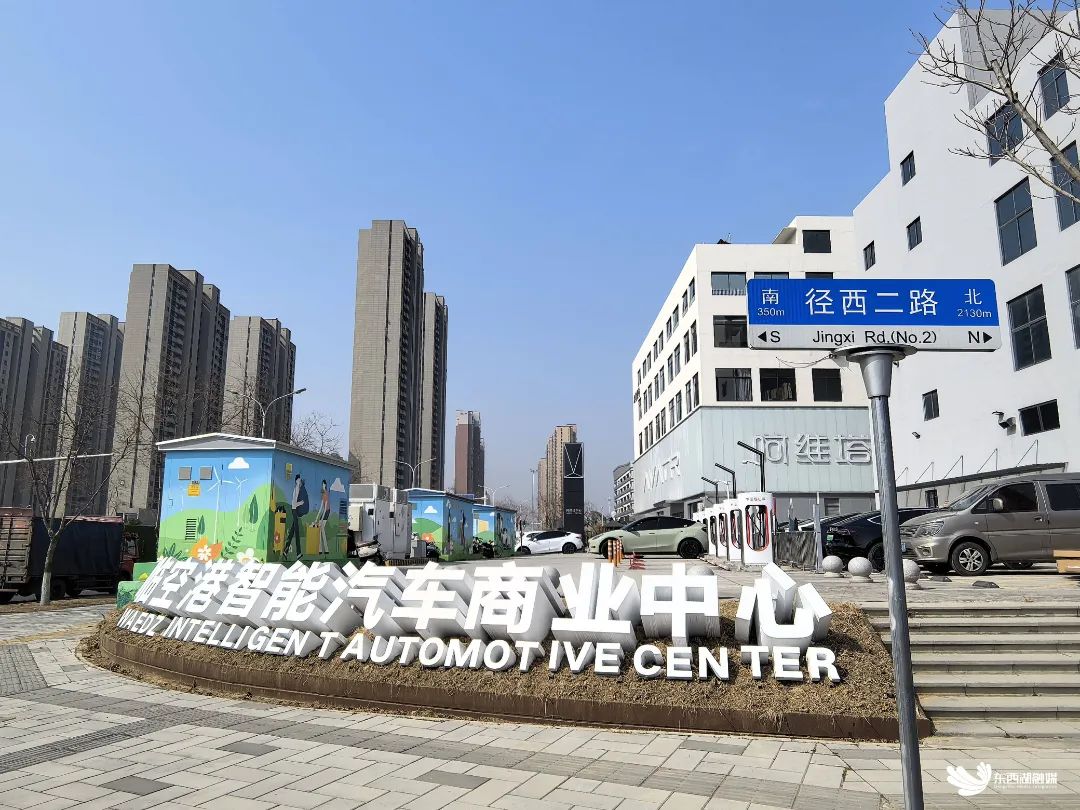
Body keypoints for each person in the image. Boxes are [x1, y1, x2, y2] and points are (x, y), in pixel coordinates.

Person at [286, 473, 308, 560]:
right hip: (294, 510)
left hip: (294, 510)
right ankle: (298, 553)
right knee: (297, 532)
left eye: (300, 480)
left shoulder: (298, 488)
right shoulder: (296, 489)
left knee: (292, 532)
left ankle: (285, 551)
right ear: (296, 481)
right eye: (298, 480)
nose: (299, 481)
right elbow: (294, 503)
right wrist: (301, 503)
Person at [315, 479, 331, 554]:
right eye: (322, 485)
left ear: (326, 485)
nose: (323, 486)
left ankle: (322, 549)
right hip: (324, 511)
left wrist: (321, 519)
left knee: (321, 528)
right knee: (321, 529)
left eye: (324, 485)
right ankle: (323, 550)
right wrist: (317, 518)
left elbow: (325, 508)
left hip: (327, 511)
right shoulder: (323, 494)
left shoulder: (326, 493)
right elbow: (321, 507)